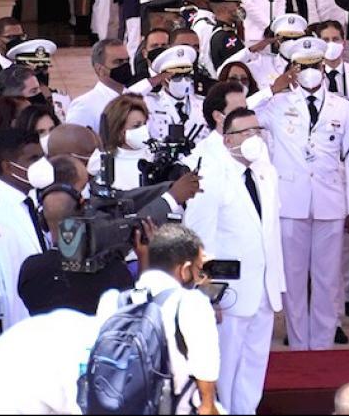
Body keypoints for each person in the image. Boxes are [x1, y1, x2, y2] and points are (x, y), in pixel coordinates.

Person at [256, 37, 349, 352]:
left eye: (314, 66)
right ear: (292, 70)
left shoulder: (343, 108)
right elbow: (234, 118)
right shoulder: (276, 106)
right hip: (291, 202)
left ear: (323, 67)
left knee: (328, 279)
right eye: (302, 67)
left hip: (330, 202)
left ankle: (323, 344)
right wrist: (270, 90)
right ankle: (299, 341)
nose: (310, 72)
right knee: (292, 277)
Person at [182, 108, 285, 415]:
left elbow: (271, 233)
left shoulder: (267, 173)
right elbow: (198, 240)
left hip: (264, 289)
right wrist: (206, 295)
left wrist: (276, 284)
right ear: (228, 140)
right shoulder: (212, 176)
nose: (255, 138)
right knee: (224, 368)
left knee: (254, 366)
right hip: (228, 293)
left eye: (258, 131)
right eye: (246, 132)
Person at [97, 222, 223, 415]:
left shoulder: (112, 300)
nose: (200, 276)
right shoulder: (192, 303)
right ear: (184, 269)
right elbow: (205, 378)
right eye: (199, 270)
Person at [18, 166, 136, 317]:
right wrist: (144, 254)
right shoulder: (111, 269)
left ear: (43, 221)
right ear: (83, 216)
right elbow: (133, 312)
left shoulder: (31, 269)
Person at [0, 129, 50, 331]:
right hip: (10, 316)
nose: (41, 165)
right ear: (7, 166)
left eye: (43, 157)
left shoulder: (32, 200)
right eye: (33, 159)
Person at [66, 38, 169, 135]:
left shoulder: (141, 99)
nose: (125, 66)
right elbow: (75, 145)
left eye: (127, 61)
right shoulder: (85, 106)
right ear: (100, 69)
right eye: (118, 62)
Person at [145, 45, 209, 144]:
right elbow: (126, 97)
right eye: (176, 76)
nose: (183, 80)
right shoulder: (150, 103)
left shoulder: (203, 104)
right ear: (163, 78)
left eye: (187, 75)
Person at [99, 94, 153, 192]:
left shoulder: (155, 158)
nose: (143, 130)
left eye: (144, 124)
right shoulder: (101, 164)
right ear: (118, 130)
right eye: (136, 126)